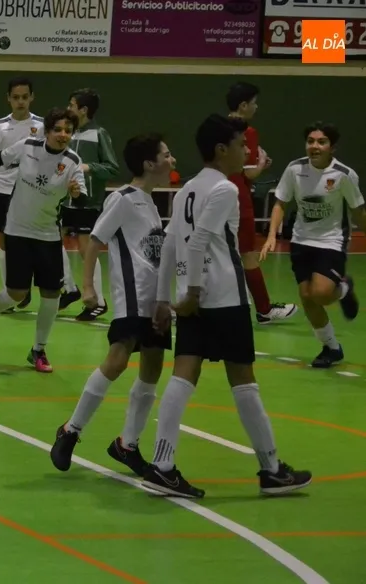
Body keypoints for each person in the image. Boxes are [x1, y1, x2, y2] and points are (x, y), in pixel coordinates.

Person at [144, 114, 312, 498]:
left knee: (183, 376)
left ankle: (162, 465)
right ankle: (271, 469)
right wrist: (194, 292)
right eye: (241, 145)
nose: (247, 151)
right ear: (222, 149)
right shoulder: (225, 189)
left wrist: (165, 298)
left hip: (193, 297)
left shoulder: (187, 188)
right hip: (221, 297)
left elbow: (171, 244)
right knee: (244, 381)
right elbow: (200, 239)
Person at [49, 134, 175, 475]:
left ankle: (127, 444)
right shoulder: (122, 199)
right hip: (131, 298)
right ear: (149, 164)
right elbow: (95, 241)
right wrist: (89, 286)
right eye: (166, 154)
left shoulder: (150, 202)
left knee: (152, 368)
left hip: (155, 300)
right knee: (116, 361)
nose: (172, 159)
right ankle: (71, 430)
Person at [0, 107, 86, 372]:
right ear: (47, 131)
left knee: (51, 295)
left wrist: (76, 191)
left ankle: (38, 350)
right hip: (17, 231)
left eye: (68, 131)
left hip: (48, 235)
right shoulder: (26, 146)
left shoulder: (72, 161)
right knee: (16, 293)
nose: (63, 135)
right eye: (58, 129)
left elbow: (80, 196)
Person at [260, 122, 362, 368]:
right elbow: (280, 203)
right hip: (301, 240)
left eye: (321, 142)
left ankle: (343, 288)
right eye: (311, 141)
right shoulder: (295, 169)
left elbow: (358, 212)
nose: (314, 146)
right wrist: (272, 234)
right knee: (307, 296)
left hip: (331, 241)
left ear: (332, 147)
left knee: (322, 294)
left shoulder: (344, 175)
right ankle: (331, 347)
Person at [226, 82, 297, 324]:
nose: (257, 107)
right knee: (248, 254)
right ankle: (264, 309)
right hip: (238, 198)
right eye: (254, 103)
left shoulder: (216, 128)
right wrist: (262, 163)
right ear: (243, 105)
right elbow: (248, 174)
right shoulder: (247, 131)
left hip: (216, 194)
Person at [61, 88, 120, 320]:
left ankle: (98, 300)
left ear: (83, 110)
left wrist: (88, 168)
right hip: (64, 199)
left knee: (87, 249)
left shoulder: (99, 134)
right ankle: (69, 288)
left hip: (88, 201)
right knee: (52, 238)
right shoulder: (67, 133)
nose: (68, 108)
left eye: (72, 104)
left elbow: (112, 167)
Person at [0, 77, 43, 311]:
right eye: (16, 97)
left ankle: (24, 286)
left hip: (32, 190)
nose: (20, 102)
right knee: (4, 241)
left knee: (29, 240)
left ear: (32, 97)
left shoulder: (42, 125)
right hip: (3, 188)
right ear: (8, 99)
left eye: (25, 97)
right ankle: (9, 292)